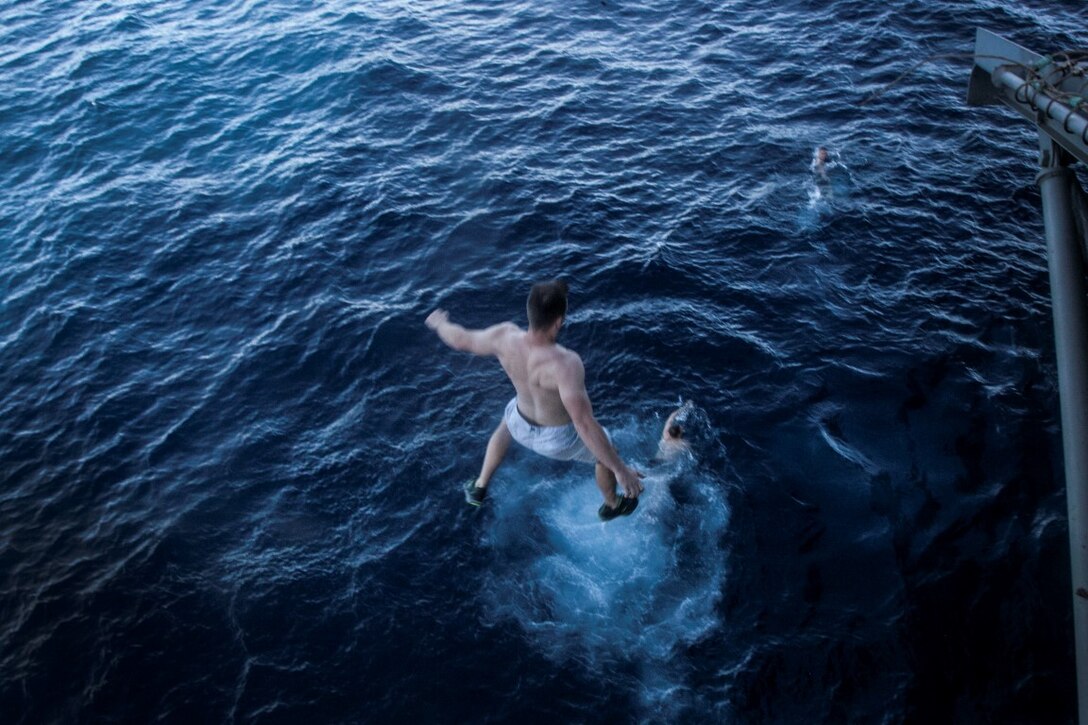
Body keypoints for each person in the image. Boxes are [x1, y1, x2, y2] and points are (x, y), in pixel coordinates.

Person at [424, 279, 644, 520]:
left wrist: (440, 324)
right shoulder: (566, 363)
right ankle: (612, 504)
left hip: (520, 425)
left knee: (507, 420)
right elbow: (584, 424)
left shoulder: (504, 336)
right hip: (558, 440)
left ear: (529, 312)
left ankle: (480, 485)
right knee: (607, 450)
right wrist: (620, 469)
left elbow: (461, 340)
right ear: (559, 321)